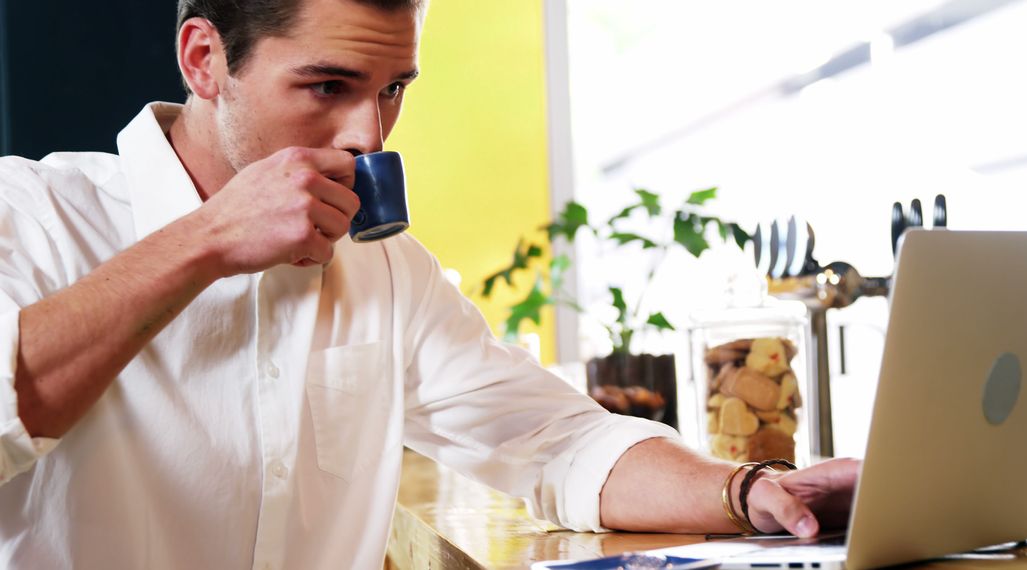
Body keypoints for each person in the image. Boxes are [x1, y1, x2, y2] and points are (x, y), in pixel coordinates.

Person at [0, 0, 859, 567]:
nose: (369, 134)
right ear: (204, 60)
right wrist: (208, 239)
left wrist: (749, 492)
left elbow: (554, 441)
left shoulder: (382, 267)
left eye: (393, 90)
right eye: (328, 86)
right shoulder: (29, 212)